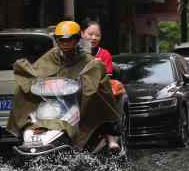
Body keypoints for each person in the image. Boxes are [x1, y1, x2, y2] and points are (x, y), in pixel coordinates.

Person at [7, 20, 121, 151]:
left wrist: (89, 82)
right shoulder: (51, 56)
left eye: (69, 40)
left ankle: (108, 138)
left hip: (78, 100)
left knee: (100, 96)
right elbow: (38, 71)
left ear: (77, 39)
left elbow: (94, 72)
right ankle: (23, 133)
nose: (65, 43)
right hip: (54, 100)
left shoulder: (87, 58)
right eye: (61, 40)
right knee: (22, 91)